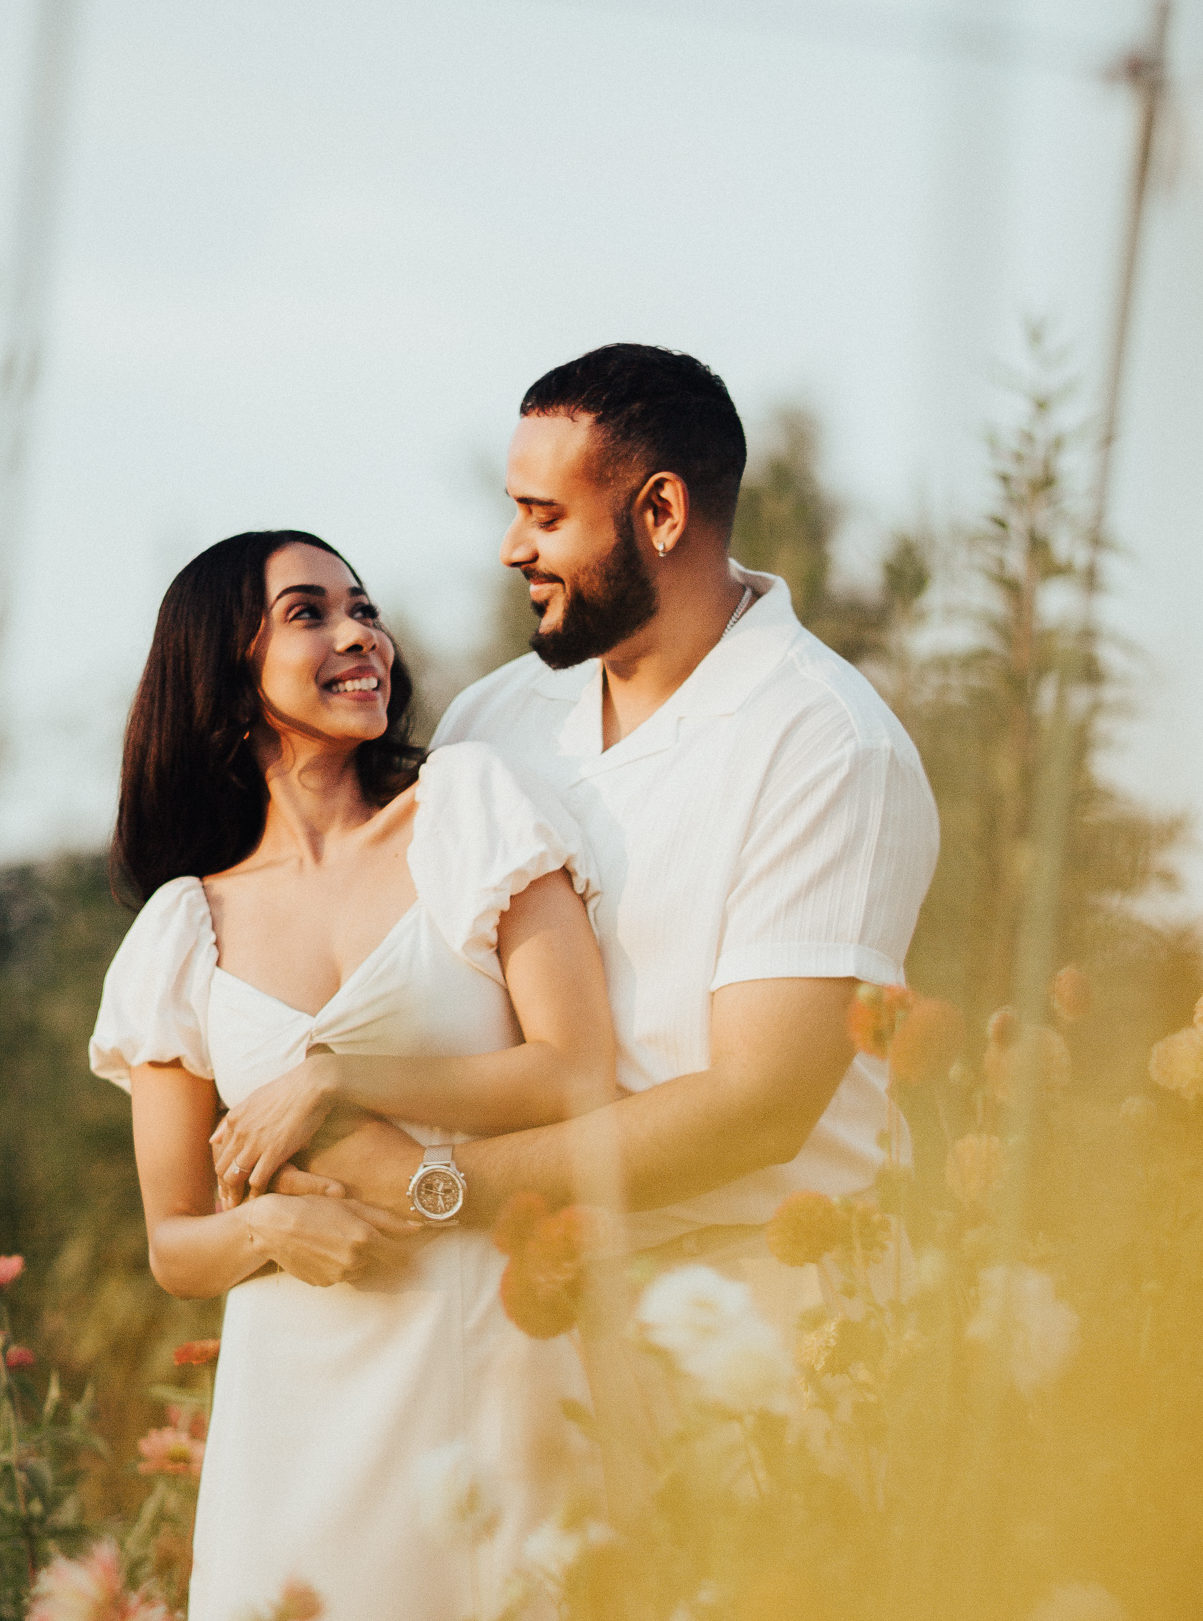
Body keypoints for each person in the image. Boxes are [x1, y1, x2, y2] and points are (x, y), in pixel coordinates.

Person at [88, 529, 616, 1621]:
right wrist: (274, 1224)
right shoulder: (180, 937)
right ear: (226, 667)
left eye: (366, 607)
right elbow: (175, 1244)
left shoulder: (466, 813)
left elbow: (575, 1069)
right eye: (307, 612)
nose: (358, 633)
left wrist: (343, 1076)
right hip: (287, 1453)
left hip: (481, 1379)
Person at [267, 345, 940, 1340]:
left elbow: (758, 1103)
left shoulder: (827, 743)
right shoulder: (491, 718)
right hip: (517, 1312)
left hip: (771, 1321)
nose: (511, 546)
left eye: (545, 516)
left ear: (660, 514)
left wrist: (430, 1185)